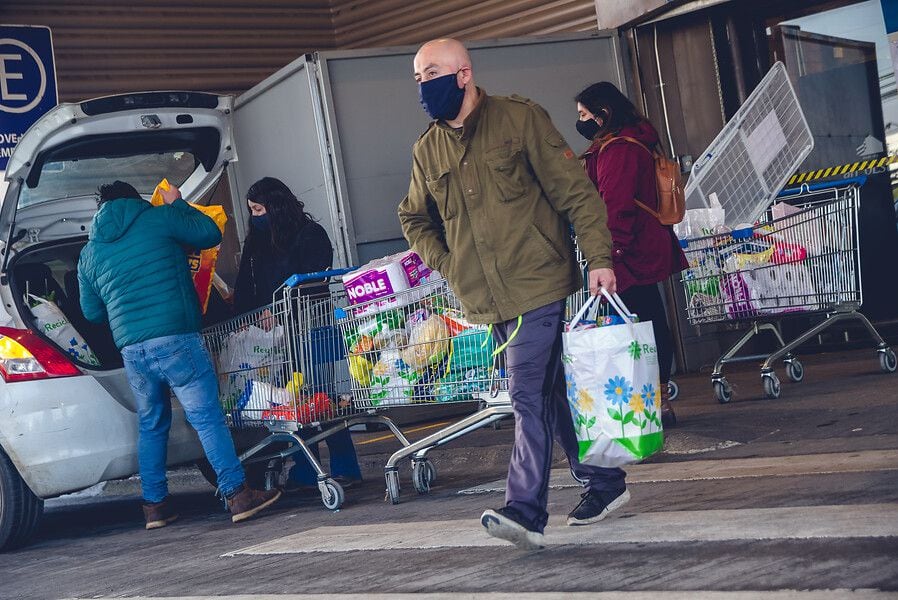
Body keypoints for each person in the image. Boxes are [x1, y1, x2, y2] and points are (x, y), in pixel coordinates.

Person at [398, 39, 626, 551]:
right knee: (552, 391)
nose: (422, 85)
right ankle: (606, 482)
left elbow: (575, 192)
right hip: (485, 294)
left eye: (431, 72)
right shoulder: (427, 148)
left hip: (537, 281)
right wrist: (448, 261)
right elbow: (412, 216)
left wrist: (600, 259)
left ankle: (524, 510)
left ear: (463, 74)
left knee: (526, 397)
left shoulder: (519, 119)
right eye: (416, 77)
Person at [78, 180, 281, 529]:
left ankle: (155, 507)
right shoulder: (159, 218)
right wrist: (178, 204)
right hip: (175, 338)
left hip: (132, 349)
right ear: (136, 199)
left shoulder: (89, 253)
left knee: (152, 424)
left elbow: (92, 313)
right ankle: (238, 494)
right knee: (206, 417)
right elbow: (208, 233)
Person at [233, 176, 362, 488]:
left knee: (322, 398)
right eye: (251, 210)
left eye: (259, 209)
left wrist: (277, 309)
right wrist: (244, 315)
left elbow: (314, 281)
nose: (255, 216)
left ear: (276, 207)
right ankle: (305, 468)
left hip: (313, 324)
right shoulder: (257, 242)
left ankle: (345, 467)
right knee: (290, 403)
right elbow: (246, 284)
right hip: (276, 336)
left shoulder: (310, 234)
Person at [575, 82, 687, 426]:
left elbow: (614, 205)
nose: (579, 122)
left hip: (628, 250)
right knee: (647, 319)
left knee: (636, 327)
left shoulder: (619, 150)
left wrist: (608, 255)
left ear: (603, 114)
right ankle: (654, 395)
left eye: (583, 115)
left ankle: (649, 398)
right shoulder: (636, 140)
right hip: (643, 245)